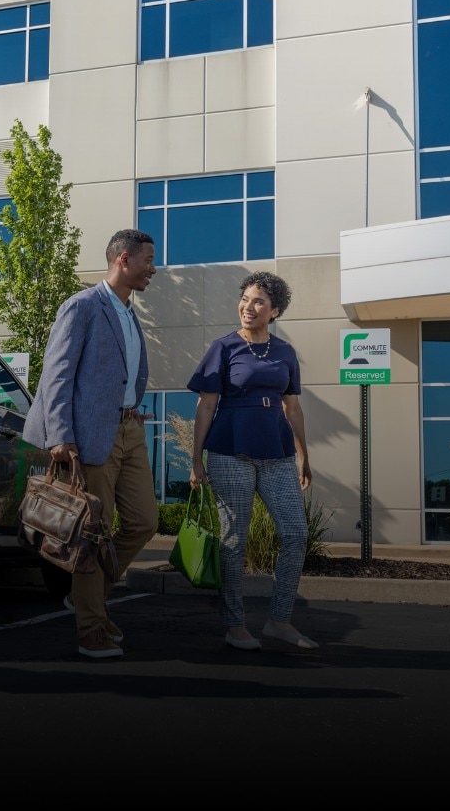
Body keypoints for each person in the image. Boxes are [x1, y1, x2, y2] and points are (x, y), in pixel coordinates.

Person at [23, 228, 160, 658]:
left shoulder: (128, 312)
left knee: (143, 522)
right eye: (147, 260)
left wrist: (130, 406)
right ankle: (91, 627)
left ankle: (90, 597)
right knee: (92, 533)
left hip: (129, 429)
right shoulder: (82, 307)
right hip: (88, 437)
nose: (152, 268)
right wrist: (60, 435)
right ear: (123, 259)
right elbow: (57, 375)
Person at [187, 270, 318, 651]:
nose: (248, 306)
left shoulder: (285, 353)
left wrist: (304, 456)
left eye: (258, 301)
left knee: (295, 534)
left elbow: (292, 407)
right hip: (230, 451)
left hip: (277, 454)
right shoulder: (223, 347)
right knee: (234, 541)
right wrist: (196, 460)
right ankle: (234, 624)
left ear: (274, 310)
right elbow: (205, 404)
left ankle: (279, 620)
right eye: (245, 299)